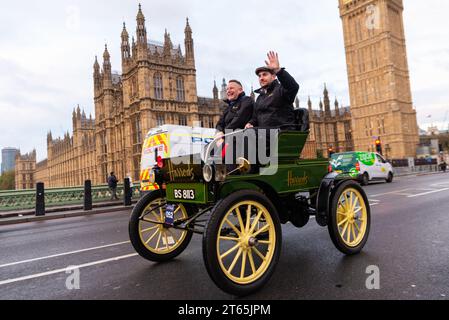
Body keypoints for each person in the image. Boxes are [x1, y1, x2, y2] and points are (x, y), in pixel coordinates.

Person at [246, 51, 299, 130]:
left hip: (281, 132)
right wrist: (250, 123)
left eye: (265, 74)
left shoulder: (281, 90)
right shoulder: (260, 97)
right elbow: (255, 117)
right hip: (264, 134)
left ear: (274, 76)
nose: (261, 78)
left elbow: (293, 87)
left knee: (246, 136)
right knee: (239, 135)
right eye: (259, 76)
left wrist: (278, 71)